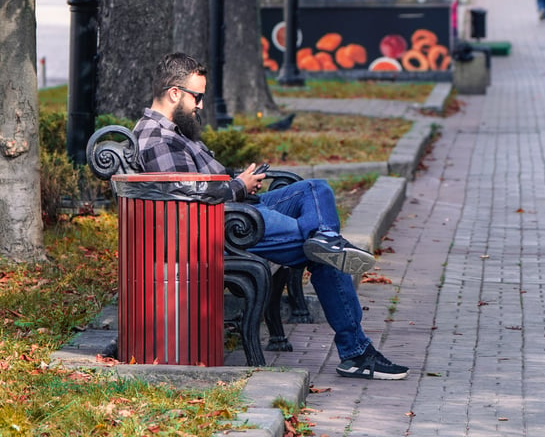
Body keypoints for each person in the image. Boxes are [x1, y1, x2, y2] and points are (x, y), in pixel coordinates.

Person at [133, 53, 409, 380]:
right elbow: (186, 201)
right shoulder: (157, 138)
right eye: (198, 97)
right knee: (321, 253)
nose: (202, 106)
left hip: (238, 211)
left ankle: (328, 241)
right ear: (175, 92)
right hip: (224, 227)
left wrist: (240, 179)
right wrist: (238, 185)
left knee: (315, 189)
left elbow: (198, 185)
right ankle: (356, 351)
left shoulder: (173, 132)